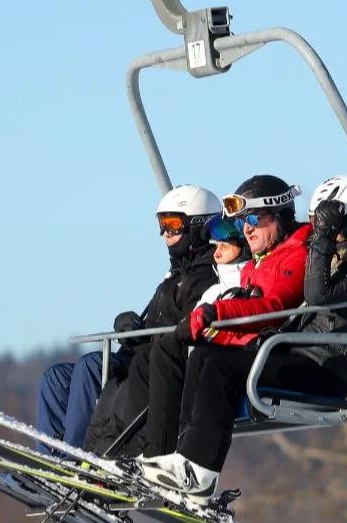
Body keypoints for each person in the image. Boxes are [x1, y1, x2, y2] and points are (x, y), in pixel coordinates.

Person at [140, 174, 347, 503]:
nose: (323, 230)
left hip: (326, 370)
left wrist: (322, 238)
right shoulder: (341, 259)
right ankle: (186, 461)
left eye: (329, 223)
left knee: (222, 365)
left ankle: (198, 470)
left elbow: (317, 295)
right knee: (205, 354)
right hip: (302, 356)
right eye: (317, 222)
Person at [35, 184, 221, 453]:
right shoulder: (174, 276)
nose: (165, 234)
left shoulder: (204, 278)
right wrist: (130, 326)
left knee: (90, 367)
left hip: (153, 367)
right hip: (135, 354)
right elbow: (156, 323)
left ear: (197, 225)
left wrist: (144, 338)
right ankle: (49, 456)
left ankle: (74, 457)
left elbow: (185, 332)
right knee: (55, 378)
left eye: (172, 224)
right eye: (161, 225)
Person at [81, 212, 251, 457]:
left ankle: (134, 455)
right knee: (98, 376)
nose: (216, 253)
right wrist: (136, 330)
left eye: (224, 246)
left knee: (140, 367)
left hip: (206, 361)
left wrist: (192, 327)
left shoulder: (231, 282)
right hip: (178, 355)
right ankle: (89, 454)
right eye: (216, 246)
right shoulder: (203, 283)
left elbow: (246, 311)